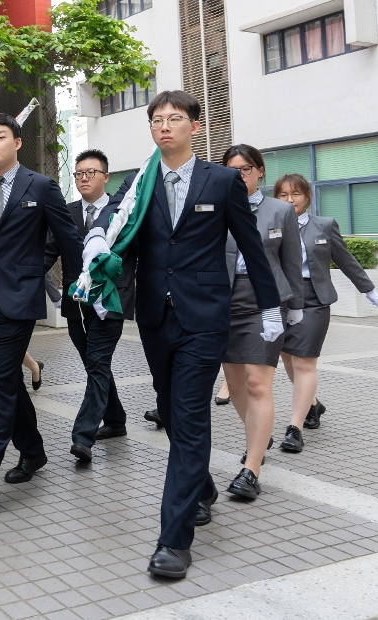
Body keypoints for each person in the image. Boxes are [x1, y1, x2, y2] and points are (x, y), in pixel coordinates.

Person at [92, 90, 280, 579]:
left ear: (194, 126)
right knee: (170, 408)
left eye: (174, 118)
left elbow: (251, 248)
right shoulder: (139, 182)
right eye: (156, 119)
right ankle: (201, 486)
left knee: (191, 416)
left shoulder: (221, 180)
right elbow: (117, 235)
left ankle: (173, 541)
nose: (164, 126)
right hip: (155, 317)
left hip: (205, 318)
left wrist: (271, 307)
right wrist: (98, 274)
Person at [0, 113, 83, 517]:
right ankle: (33, 450)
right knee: (7, 380)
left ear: (17, 143)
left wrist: (80, 287)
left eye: (1, 137)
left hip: (18, 301)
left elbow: (68, 240)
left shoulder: (40, 186)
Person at [220, 145, 304, 500]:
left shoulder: (280, 211)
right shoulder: (216, 208)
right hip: (224, 301)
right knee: (235, 383)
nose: (240, 175)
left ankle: (251, 469)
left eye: (246, 169)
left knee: (257, 383)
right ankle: (259, 434)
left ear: (259, 171)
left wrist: (295, 305)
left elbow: (291, 261)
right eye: (232, 170)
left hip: (266, 303)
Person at [274, 173, 378, 452]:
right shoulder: (270, 225)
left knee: (304, 361)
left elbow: (345, 259)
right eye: (283, 195)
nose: (290, 200)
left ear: (307, 197)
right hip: (281, 298)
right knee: (287, 357)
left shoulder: (324, 225)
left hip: (314, 299)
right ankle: (313, 404)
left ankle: (294, 428)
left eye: (296, 194)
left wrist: (368, 288)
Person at [45, 148, 135, 461]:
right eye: (79, 173)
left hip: (110, 302)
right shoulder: (66, 212)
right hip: (76, 303)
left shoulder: (121, 211)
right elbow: (49, 251)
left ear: (106, 177)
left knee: (97, 363)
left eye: (90, 172)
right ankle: (115, 419)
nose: (84, 178)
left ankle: (83, 436)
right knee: (95, 364)